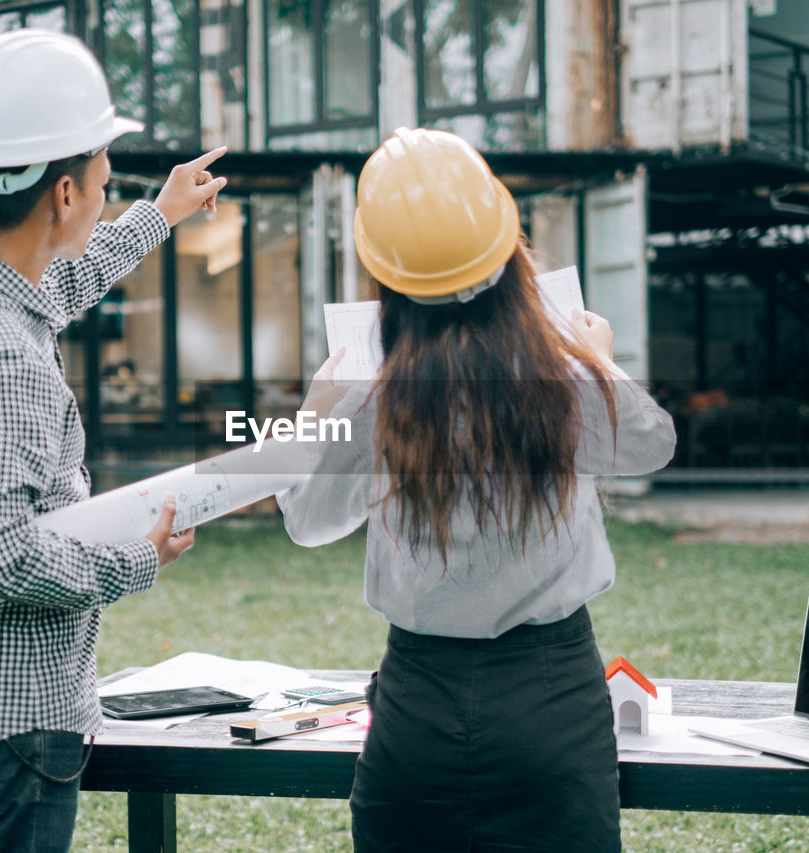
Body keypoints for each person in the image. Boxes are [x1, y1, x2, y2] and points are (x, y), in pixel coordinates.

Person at [277, 127, 678, 852]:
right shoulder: (563, 381)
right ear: (508, 251)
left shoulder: (371, 402)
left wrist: (311, 415)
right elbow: (653, 444)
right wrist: (600, 362)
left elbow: (306, 519)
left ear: (385, 277)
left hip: (415, 706)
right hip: (554, 698)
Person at [0, 30, 225, 851]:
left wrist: (158, 212)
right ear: (64, 195)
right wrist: (139, 560)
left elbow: (56, 282)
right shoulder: (4, 356)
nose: (108, 196)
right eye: (107, 184)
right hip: (7, 736)